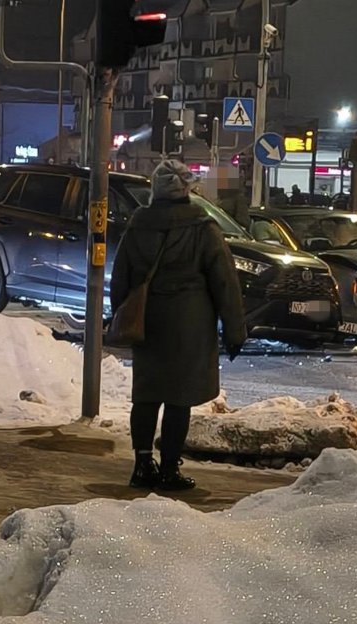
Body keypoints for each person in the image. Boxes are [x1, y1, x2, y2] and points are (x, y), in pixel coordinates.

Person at [110, 160, 247, 491]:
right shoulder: (203, 228)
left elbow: (120, 280)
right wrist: (234, 330)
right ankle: (169, 468)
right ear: (186, 189)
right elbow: (225, 283)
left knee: (146, 395)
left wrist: (126, 316)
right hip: (190, 326)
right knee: (177, 399)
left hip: (149, 323)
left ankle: (142, 463)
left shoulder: (137, 227)